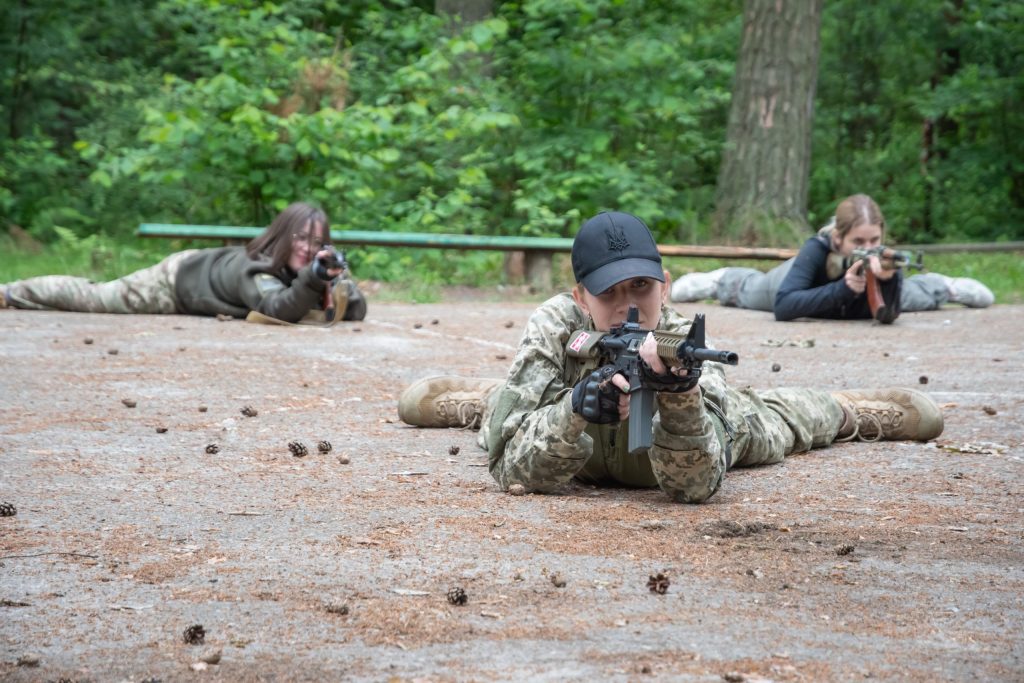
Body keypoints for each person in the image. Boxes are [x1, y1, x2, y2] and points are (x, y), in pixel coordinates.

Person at [396, 211, 944, 504]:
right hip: (576, 445)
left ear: (665, 283)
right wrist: (574, 410)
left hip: (690, 442)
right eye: (608, 293)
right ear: (580, 297)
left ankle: (846, 411)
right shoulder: (557, 324)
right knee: (508, 418)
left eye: (641, 286)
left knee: (775, 420)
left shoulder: (680, 337)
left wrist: (681, 397)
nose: (627, 305)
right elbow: (511, 470)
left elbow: (695, 489)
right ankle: (483, 403)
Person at [0, 202, 367, 323]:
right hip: (173, 282)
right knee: (96, 298)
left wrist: (337, 280)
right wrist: (314, 278)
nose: (307, 249)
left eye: (316, 242)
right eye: (300, 238)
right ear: (283, 235)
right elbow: (277, 309)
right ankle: (13, 292)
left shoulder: (300, 270)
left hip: (198, 272)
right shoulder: (255, 268)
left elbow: (357, 311)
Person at [670, 194, 994, 321]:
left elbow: (889, 314)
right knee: (755, 291)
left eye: (875, 240)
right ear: (839, 238)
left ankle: (946, 287)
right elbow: (784, 307)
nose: (868, 246)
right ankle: (719, 280)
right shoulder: (818, 248)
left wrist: (888, 279)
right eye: (858, 241)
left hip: (850, 301)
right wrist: (843, 288)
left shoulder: (883, 256)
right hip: (802, 286)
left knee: (913, 295)